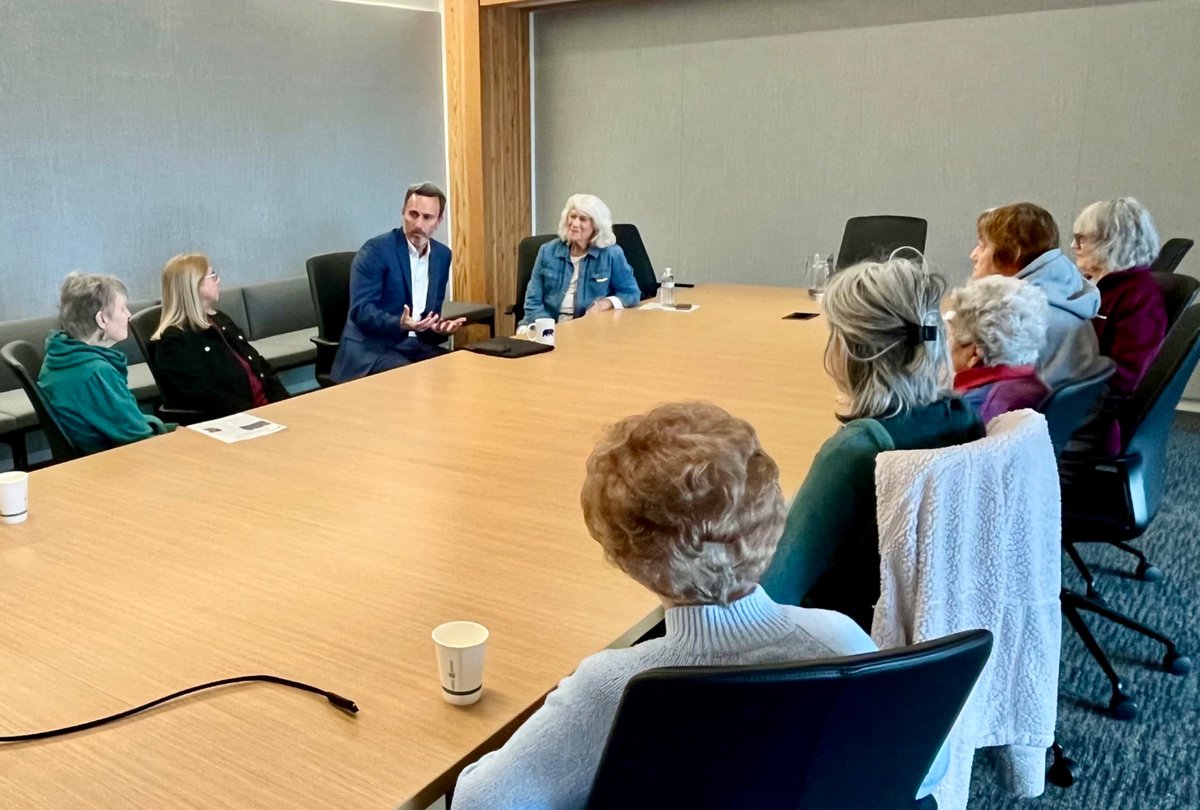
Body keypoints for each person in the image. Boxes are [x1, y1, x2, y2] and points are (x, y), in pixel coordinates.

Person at [452, 401, 943, 809]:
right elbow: (926, 768)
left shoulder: (614, 687)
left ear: (625, 557)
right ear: (773, 520)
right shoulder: (838, 639)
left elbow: (482, 802)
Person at [759, 258, 984, 630]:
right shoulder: (962, 417)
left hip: (834, 637)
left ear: (852, 350)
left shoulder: (857, 451)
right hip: (919, 622)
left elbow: (773, 594)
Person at [331, 182, 465, 382]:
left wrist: (436, 327)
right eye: (413, 214)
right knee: (413, 379)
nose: (418, 224)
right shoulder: (375, 251)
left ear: (439, 221)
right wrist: (400, 324)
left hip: (415, 346)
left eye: (427, 217)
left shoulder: (442, 255)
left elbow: (431, 314)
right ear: (403, 212)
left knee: (459, 370)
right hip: (373, 349)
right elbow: (361, 311)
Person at [37, 272, 172, 453]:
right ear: (102, 319)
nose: (129, 314)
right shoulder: (95, 373)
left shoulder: (61, 353)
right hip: (117, 461)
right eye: (123, 308)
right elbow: (138, 437)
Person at [969, 202, 1099, 387]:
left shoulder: (1019, 316)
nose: (973, 255)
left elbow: (979, 389)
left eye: (982, 246)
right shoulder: (1069, 290)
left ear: (1013, 255)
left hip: (1018, 410)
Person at [152, 254, 288, 420]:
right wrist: (259, 417)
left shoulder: (219, 319)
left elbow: (259, 365)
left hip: (267, 412)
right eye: (213, 276)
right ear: (194, 287)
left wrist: (286, 404)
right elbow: (208, 399)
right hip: (240, 422)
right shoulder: (175, 342)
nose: (218, 280)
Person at [1072, 197, 1166, 397]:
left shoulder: (1139, 295)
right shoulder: (1097, 283)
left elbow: (1126, 377)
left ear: (1111, 241)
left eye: (1081, 238)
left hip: (1087, 403)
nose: (1074, 245)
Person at [519, 194, 641, 328]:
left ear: (596, 226)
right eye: (572, 216)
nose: (575, 224)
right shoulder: (547, 251)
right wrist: (549, 329)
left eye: (583, 219)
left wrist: (604, 304)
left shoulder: (611, 254)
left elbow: (631, 293)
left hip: (588, 327)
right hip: (544, 325)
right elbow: (532, 301)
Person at [946, 275, 1051, 424]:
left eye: (951, 336)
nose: (948, 344)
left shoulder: (968, 411)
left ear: (974, 353)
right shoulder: (1037, 387)